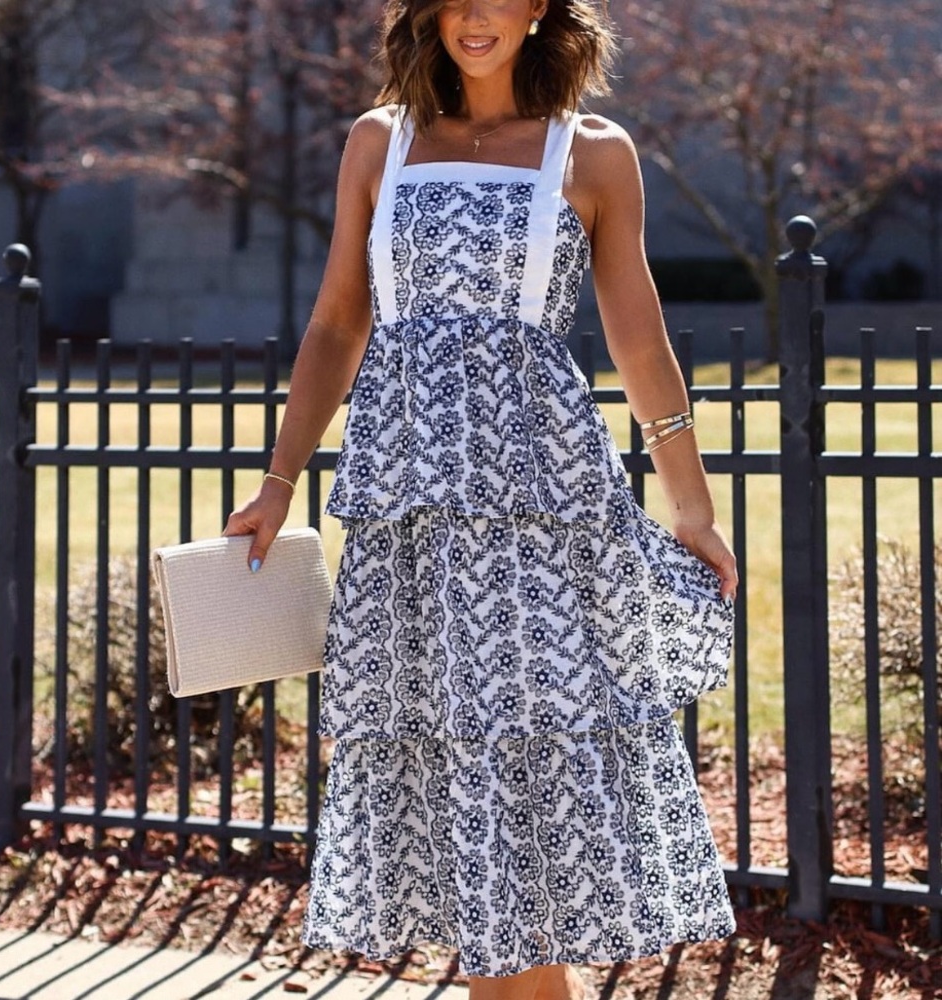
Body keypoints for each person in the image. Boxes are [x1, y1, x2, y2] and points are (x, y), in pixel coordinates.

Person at [224, 1, 738, 996]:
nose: (474, 16)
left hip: (541, 505)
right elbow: (337, 324)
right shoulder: (381, 141)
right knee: (458, 799)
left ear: (537, 8)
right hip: (408, 506)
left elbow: (636, 334)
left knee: (526, 774)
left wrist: (692, 505)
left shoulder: (592, 153)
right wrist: (277, 482)